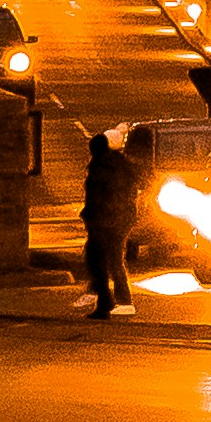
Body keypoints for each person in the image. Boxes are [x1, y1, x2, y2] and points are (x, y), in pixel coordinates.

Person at [81, 122, 133, 319]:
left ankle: (106, 302)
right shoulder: (121, 164)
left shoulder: (99, 168)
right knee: (114, 260)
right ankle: (116, 299)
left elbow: (98, 198)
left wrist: (90, 216)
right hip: (118, 220)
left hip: (103, 222)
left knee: (97, 262)